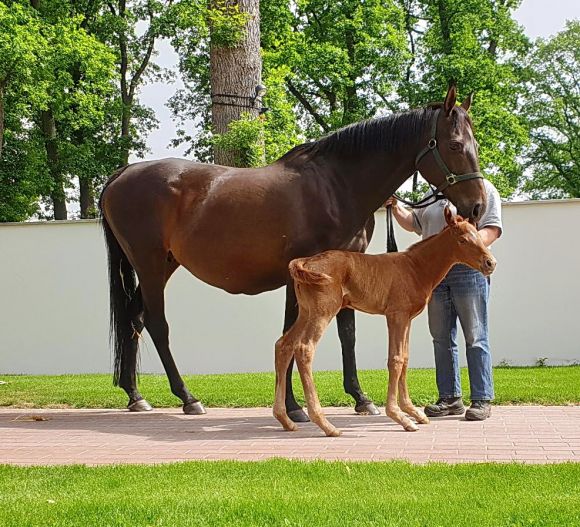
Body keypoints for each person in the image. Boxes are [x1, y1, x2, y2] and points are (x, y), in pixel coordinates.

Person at [385, 179, 502, 421]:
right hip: (432, 273)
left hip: (468, 270)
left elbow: (492, 229)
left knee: (475, 335)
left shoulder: (482, 188)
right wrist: (395, 206)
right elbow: (414, 224)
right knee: (440, 337)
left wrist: (462, 241)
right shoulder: (432, 193)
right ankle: (450, 398)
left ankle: (481, 398)